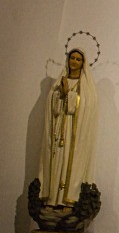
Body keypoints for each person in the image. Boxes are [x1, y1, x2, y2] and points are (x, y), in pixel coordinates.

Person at [38, 48, 99, 207]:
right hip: (59, 130)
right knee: (57, 161)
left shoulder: (86, 87)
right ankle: (52, 199)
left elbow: (86, 106)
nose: (74, 62)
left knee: (70, 163)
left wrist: (68, 94)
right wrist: (60, 94)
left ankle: (68, 202)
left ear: (83, 63)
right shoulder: (60, 82)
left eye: (78, 59)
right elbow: (52, 107)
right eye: (72, 58)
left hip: (75, 133)